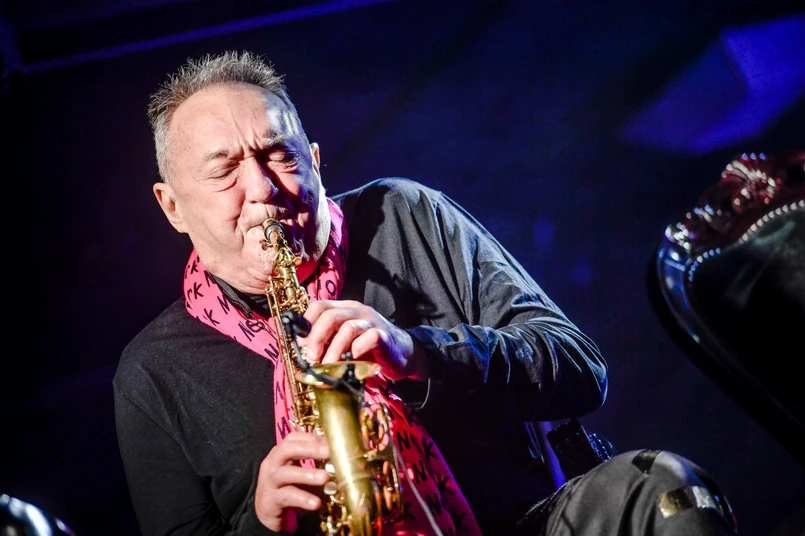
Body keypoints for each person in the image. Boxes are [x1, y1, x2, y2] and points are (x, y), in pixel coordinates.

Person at [113, 50, 738, 536]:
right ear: (173, 207)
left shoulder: (404, 212)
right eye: (224, 170)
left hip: (529, 523)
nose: (262, 189)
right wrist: (262, 522)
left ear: (316, 160)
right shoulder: (153, 372)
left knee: (666, 489)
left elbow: (579, 367)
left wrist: (419, 352)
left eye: (280, 155)